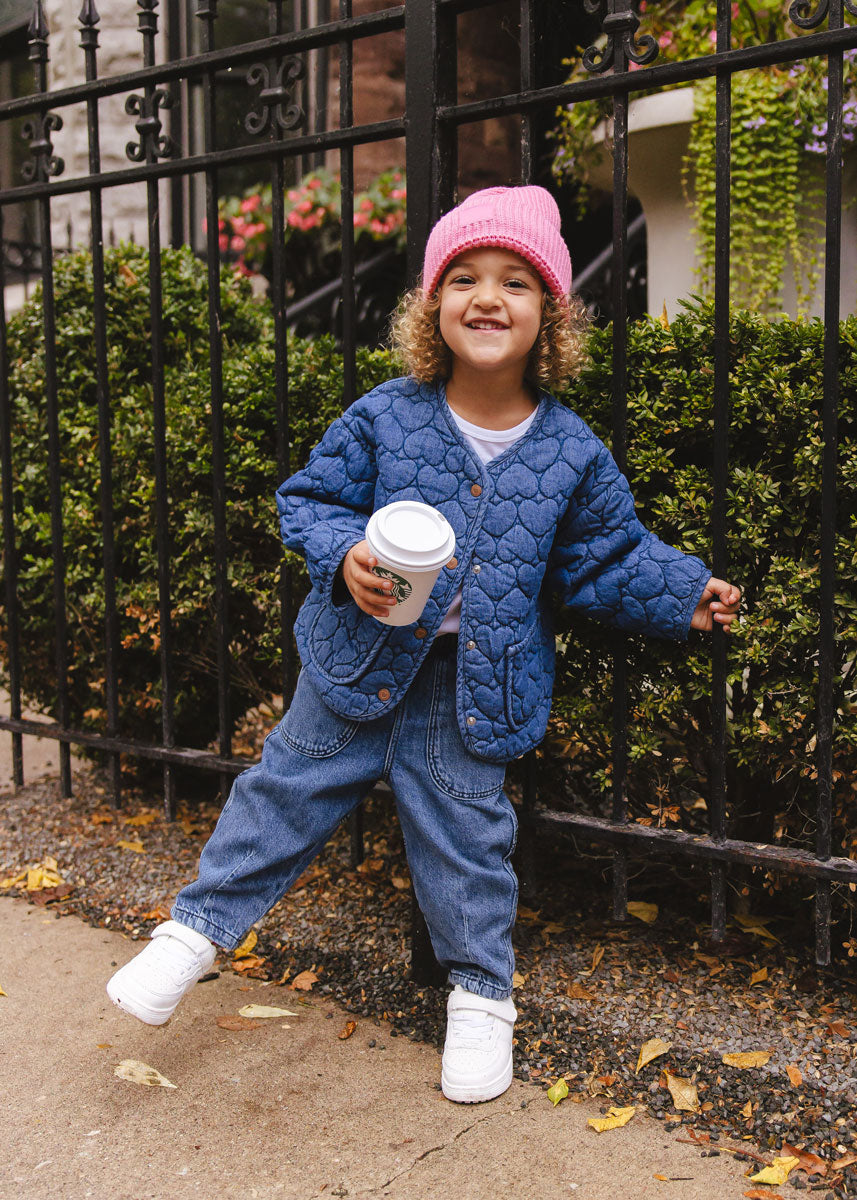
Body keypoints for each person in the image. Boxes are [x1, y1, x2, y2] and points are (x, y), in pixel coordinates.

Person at [106, 185, 741, 1104]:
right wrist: (346, 553)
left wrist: (681, 593)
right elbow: (309, 502)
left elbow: (603, 559)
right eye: (465, 278)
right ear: (432, 307)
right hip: (357, 658)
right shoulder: (385, 415)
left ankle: (481, 1001)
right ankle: (191, 935)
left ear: (549, 318)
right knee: (280, 794)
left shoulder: (570, 451)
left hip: (473, 682)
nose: (488, 297)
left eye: (516, 282)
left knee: (466, 839)